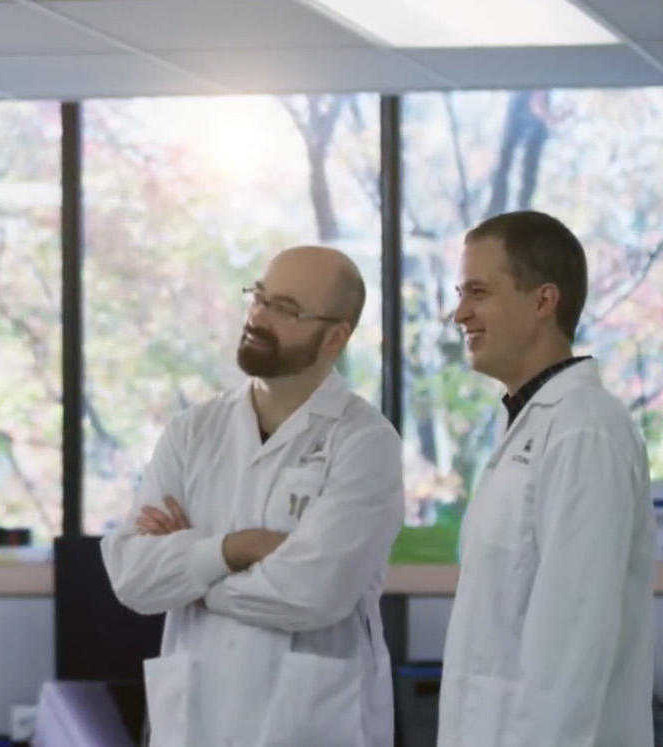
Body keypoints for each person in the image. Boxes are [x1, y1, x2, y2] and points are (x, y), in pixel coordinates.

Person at [103, 246, 404, 747]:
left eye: (285, 309)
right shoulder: (193, 430)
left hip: (309, 725)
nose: (258, 318)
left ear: (335, 337)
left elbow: (314, 592)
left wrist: (194, 578)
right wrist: (234, 549)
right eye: (259, 297)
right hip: (195, 724)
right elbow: (132, 577)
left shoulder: (364, 441)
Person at [437, 211, 653, 745]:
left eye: (478, 292)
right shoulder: (533, 427)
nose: (459, 313)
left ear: (543, 302)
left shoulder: (585, 430)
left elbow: (570, 650)